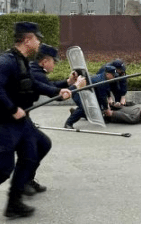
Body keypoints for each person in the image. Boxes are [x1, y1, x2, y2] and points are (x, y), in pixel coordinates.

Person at [0, 22, 72, 224]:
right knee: (2, 169)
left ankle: (14, 203)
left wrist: (58, 91)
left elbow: (33, 84)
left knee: (30, 156)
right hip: (2, 121)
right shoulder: (6, 62)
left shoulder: (22, 61)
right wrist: (13, 109)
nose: (39, 43)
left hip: (21, 121)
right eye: (37, 39)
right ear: (27, 40)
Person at [26, 44, 86, 197]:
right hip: (14, 116)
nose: (55, 64)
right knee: (38, 146)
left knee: (40, 145)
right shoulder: (36, 73)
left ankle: (26, 180)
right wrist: (76, 86)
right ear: (45, 61)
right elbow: (57, 96)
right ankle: (23, 183)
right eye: (54, 61)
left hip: (21, 115)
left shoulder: (35, 70)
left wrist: (68, 82)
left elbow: (49, 86)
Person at [65, 64, 118, 129]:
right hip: (77, 92)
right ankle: (68, 123)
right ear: (108, 74)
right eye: (113, 75)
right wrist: (106, 109)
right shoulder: (101, 81)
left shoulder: (104, 78)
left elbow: (105, 92)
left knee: (96, 107)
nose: (114, 77)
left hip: (86, 92)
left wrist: (108, 100)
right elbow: (102, 97)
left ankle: (75, 113)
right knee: (83, 107)